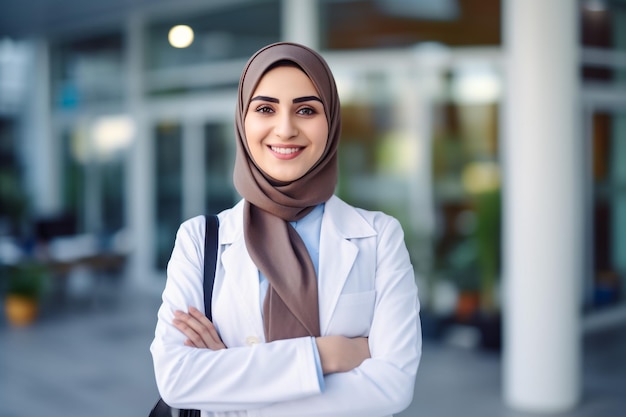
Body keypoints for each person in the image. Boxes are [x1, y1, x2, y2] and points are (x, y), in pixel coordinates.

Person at [150, 42, 422, 417]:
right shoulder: (199, 239)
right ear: (242, 122)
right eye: (265, 109)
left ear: (332, 123)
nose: (285, 128)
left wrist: (233, 387)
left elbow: (393, 387)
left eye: (306, 109)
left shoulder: (379, 236)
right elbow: (177, 380)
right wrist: (327, 354)